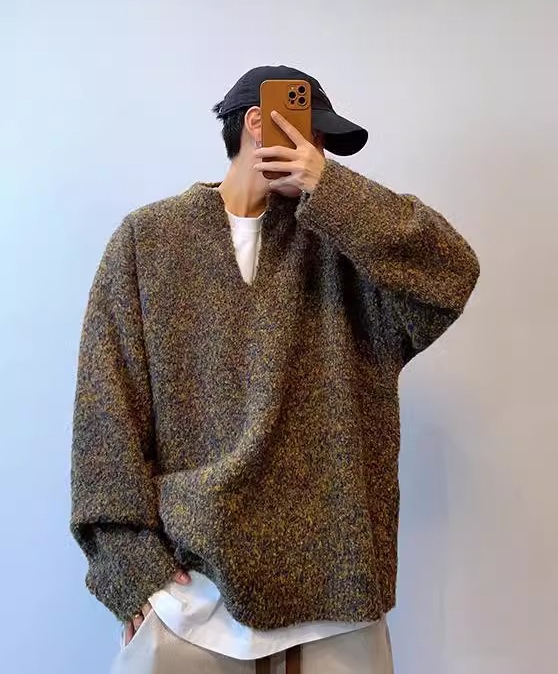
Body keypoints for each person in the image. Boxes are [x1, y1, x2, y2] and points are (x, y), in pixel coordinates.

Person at [70, 65, 479, 674]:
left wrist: (331, 188)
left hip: (337, 595)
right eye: (316, 135)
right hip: (189, 599)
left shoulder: (344, 243)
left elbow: (451, 275)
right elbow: (106, 412)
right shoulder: (148, 241)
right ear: (260, 123)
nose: (320, 152)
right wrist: (129, 570)